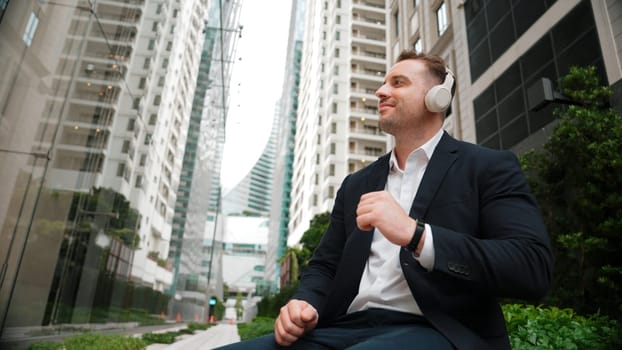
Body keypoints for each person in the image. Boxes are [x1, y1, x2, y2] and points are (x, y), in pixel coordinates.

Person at [216, 50, 552, 350]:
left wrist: (417, 235)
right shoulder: (355, 185)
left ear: (437, 97)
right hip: (343, 329)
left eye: (398, 82)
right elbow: (325, 266)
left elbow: (531, 266)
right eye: (382, 83)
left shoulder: (486, 167)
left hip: (438, 331)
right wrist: (303, 303)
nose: (381, 91)